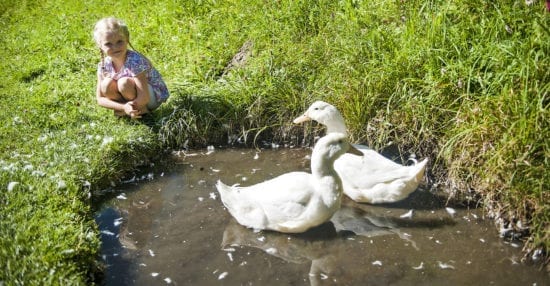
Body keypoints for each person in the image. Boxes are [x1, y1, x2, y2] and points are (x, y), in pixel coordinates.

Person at [93, 17, 169, 118]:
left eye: (119, 41)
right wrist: (124, 107)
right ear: (100, 45)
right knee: (106, 85)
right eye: (108, 44)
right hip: (131, 100)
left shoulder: (135, 60)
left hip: (151, 97)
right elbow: (100, 99)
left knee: (124, 82)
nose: (115, 47)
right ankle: (130, 111)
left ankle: (143, 112)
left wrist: (124, 109)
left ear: (127, 38)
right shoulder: (103, 66)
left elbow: (144, 97)